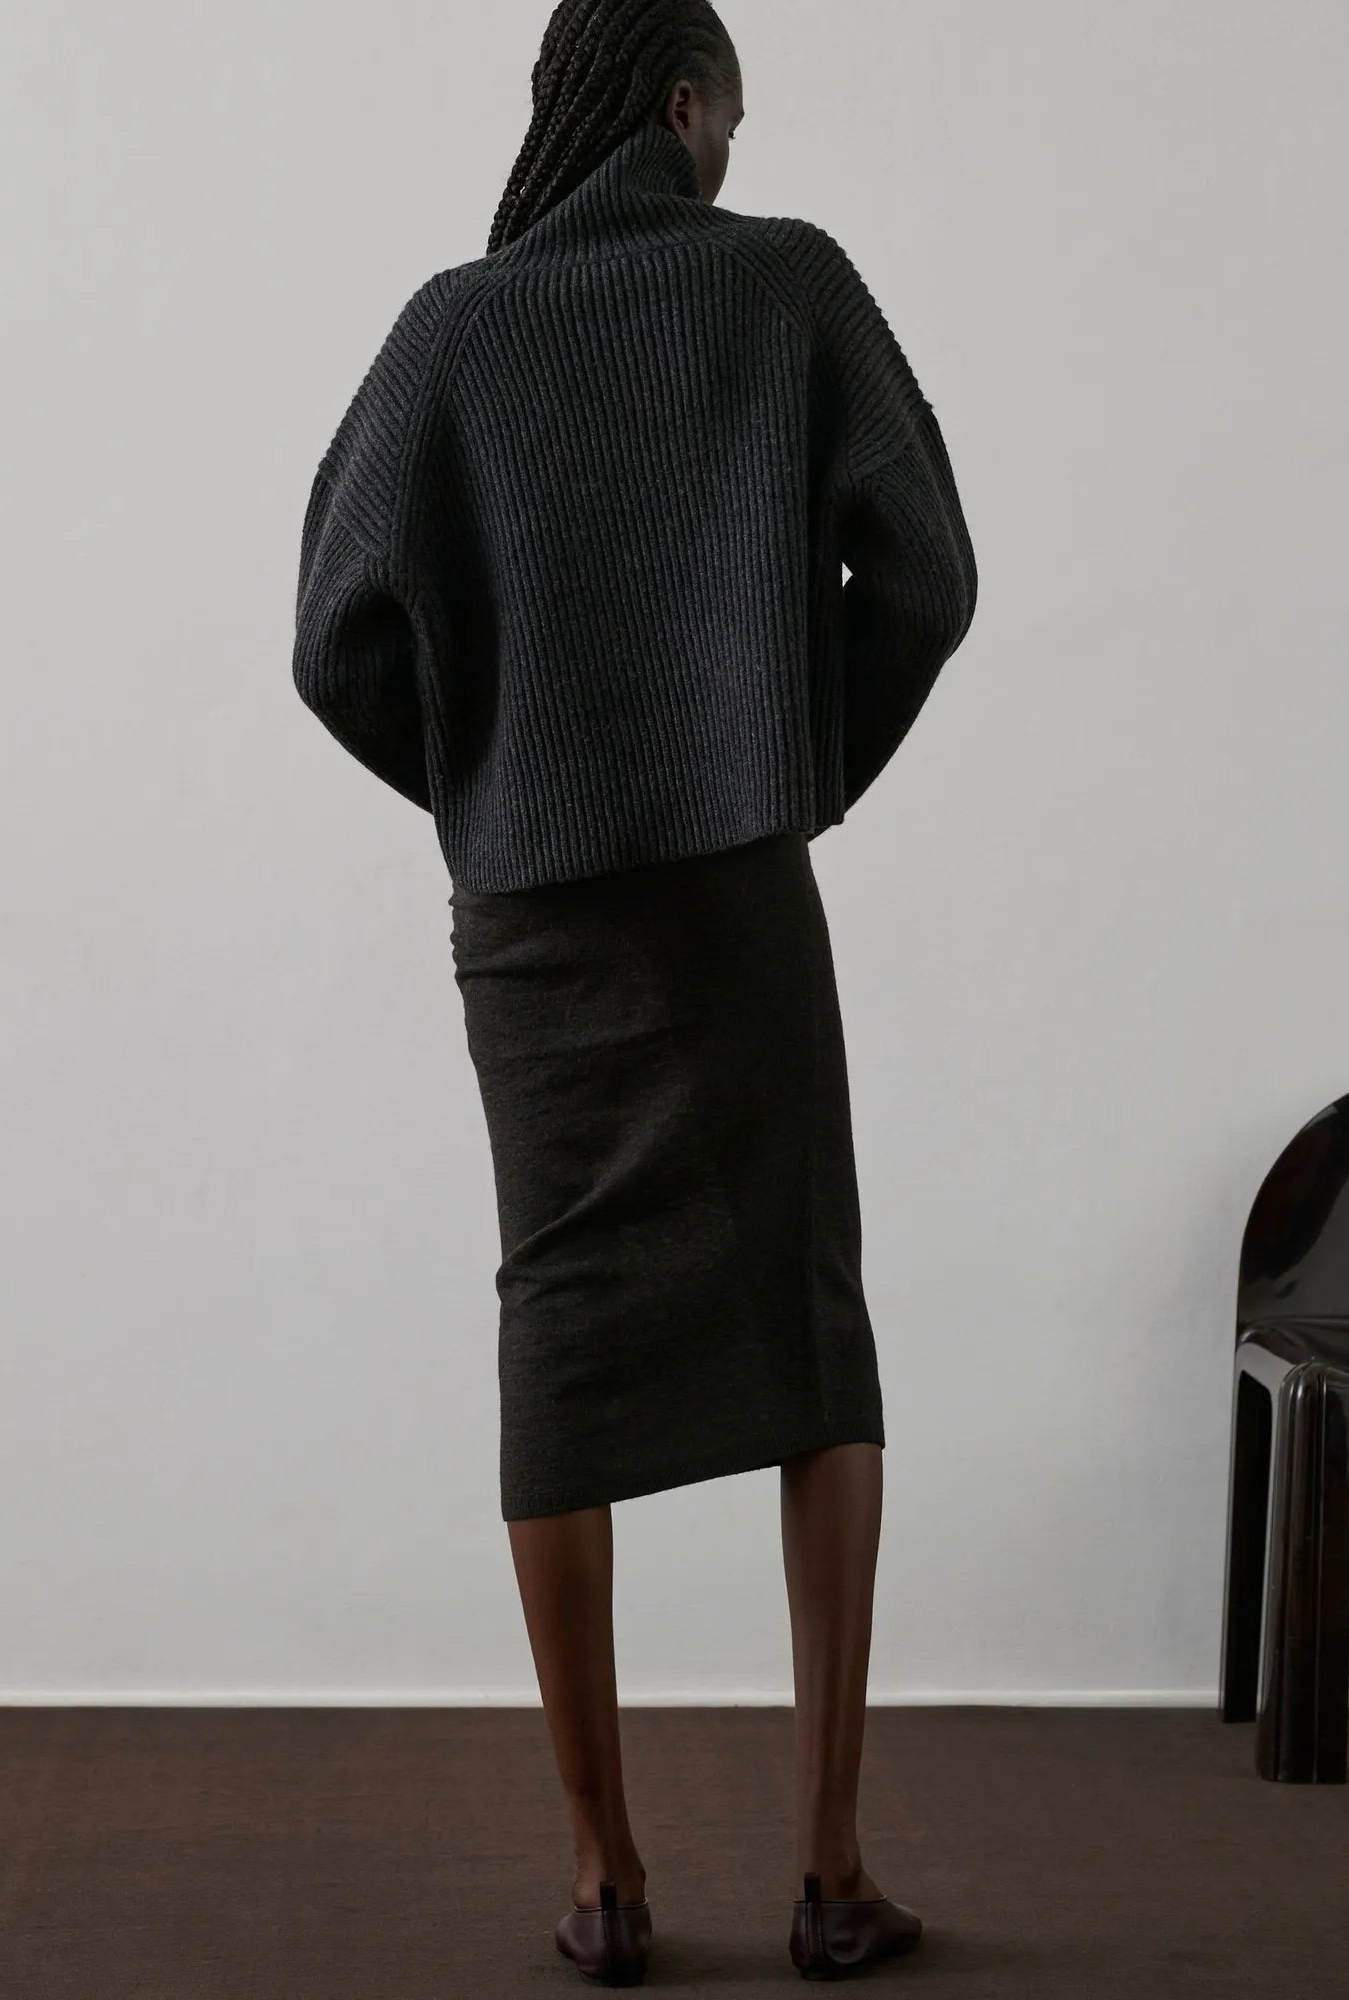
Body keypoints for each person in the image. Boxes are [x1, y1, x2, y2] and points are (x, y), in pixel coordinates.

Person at [291, 0, 978, 1982]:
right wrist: (791, 761)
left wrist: (496, 784)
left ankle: (603, 1879)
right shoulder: (787, 285)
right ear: (682, 105)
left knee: (562, 1327)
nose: (735, 155)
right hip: (735, 891)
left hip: (531, 920)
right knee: (809, 1333)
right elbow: (927, 574)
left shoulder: (450, 331)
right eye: (730, 120)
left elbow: (332, 640)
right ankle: (829, 1876)